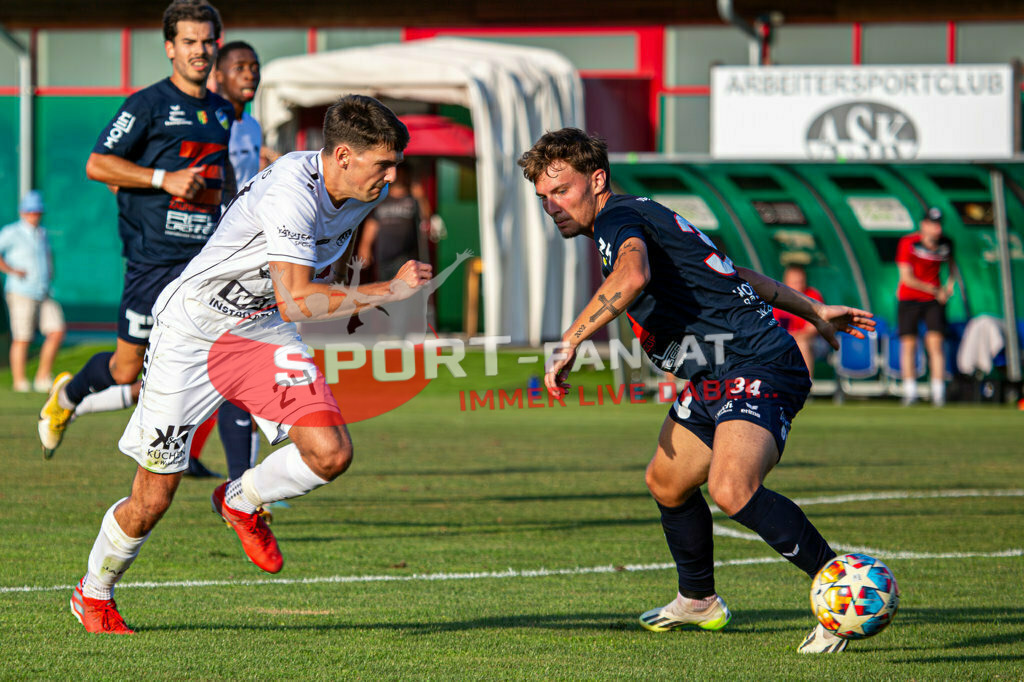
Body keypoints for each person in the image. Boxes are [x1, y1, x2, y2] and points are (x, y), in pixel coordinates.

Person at [64, 94, 430, 635]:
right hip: (193, 330)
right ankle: (93, 593)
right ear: (345, 156)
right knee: (154, 496)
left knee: (329, 454)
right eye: (384, 163)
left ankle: (240, 499)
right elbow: (298, 299)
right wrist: (388, 291)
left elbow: (297, 290)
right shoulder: (291, 194)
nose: (393, 175)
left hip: (258, 330)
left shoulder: (356, 188)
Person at [519, 128, 874, 653]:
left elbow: (632, 276)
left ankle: (841, 590)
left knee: (732, 490)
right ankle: (698, 600)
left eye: (561, 190)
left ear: (597, 180)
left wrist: (571, 340)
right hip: (715, 373)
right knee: (667, 482)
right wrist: (813, 308)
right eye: (543, 197)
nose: (552, 205)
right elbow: (735, 275)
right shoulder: (645, 213)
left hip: (756, 364)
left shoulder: (619, 219)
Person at [36, 1, 245, 476]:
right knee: (126, 370)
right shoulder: (147, 104)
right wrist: (161, 180)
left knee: (229, 359)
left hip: (202, 263)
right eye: (189, 42)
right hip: (152, 262)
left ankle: (241, 489)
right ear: (170, 48)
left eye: (207, 41)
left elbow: (222, 171)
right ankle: (68, 394)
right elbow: (97, 164)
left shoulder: (220, 110)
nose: (200, 50)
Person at [0, 191, 66, 393]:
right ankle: (20, 381)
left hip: (43, 290)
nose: (34, 215)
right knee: (23, 337)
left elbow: (47, 257)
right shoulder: (12, 232)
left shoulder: (43, 233)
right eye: (30, 211)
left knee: (56, 330)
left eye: (37, 211)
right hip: (20, 291)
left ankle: (42, 377)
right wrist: (11, 270)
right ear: (22, 212)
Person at [895, 206, 957, 406]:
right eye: (932, 224)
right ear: (923, 225)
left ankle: (938, 393)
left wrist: (949, 287)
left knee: (935, 344)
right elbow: (907, 278)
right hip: (909, 299)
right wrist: (935, 290)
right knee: (909, 345)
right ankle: (910, 392)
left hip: (933, 302)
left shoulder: (947, 244)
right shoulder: (908, 243)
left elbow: (953, 268)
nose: (936, 229)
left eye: (938, 224)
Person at [356, 166, 426, 281]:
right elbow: (372, 223)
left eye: (403, 174)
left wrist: (421, 197)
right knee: (385, 292)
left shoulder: (413, 198)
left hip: (405, 258)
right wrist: (365, 247)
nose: (399, 177)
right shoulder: (382, 197)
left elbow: (426, 218)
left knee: (401, 293)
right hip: (383, 257)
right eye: (398, 174)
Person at [772, 264, 824, 380]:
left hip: (817, 343)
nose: (797, 285)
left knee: (802, 343)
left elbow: (811, 331)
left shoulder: (812, 296)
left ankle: (805, 386)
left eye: (800, 281)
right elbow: (775, 328)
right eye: (794, 282)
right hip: (787, 340)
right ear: (786, 282)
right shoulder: (779, 299)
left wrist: (791, 337)